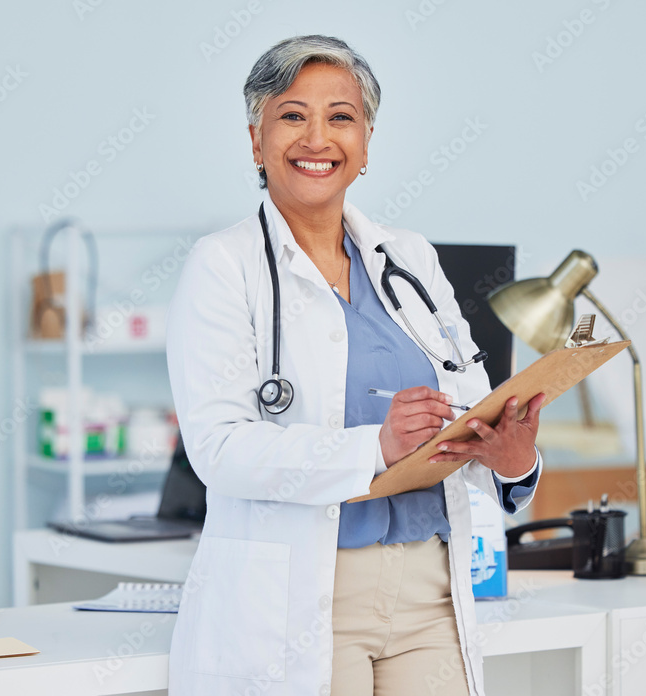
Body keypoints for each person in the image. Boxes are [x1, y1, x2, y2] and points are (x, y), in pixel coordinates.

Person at [166, 35, 544, 696]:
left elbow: (472, 408)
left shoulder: (410, 258)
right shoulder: (223, 266)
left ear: (365, 145)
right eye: (292, 116)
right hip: (306, 600)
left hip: (430, 591)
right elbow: (218, 449)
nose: (318, 138)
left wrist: (513, 458)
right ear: (256, 142)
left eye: (340, 117)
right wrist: (376, 444)